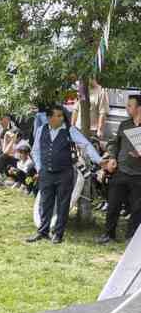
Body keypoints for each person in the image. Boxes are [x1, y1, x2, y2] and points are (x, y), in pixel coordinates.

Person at [26, 104, 101, 244]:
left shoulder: (70, 130)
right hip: (46, 173)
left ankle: (58, 234)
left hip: (64, 173)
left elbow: (86, 145)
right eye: (58, 116)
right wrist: (39, 168)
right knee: (45, 202)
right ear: (49, 118)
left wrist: (100, 160)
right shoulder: (42, 129)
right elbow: (35, 150)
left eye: (62, 116)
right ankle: (43, 232)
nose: (61, 118)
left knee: (63, 204)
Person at [99, 93, 141, 244]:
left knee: (137, 209)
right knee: (113, 205)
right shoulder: (124, 125)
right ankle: (108, 235)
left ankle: (131, 238)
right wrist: (112, 158)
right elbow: (113, 143)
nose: (126, 107)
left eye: (130, 105)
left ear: (139, 108)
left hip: (138, 176)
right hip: (121, 171)